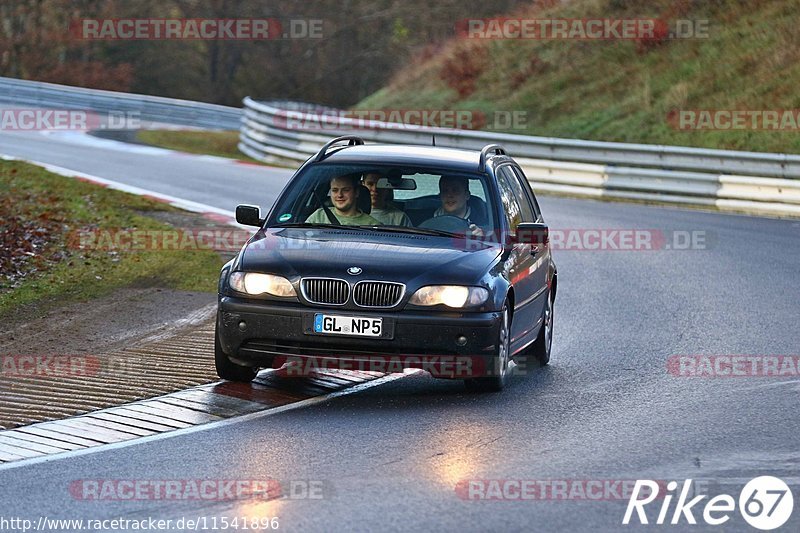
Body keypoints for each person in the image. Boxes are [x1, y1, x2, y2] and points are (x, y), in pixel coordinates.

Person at [305, 174, 381, 225]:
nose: (340, 195)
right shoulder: (318, 216)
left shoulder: (372, 225)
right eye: (335, 190)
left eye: (346, 190)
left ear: (356, 193)